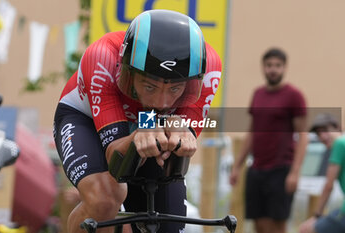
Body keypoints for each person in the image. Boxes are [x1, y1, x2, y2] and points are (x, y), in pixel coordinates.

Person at [53, 9, 222, 233]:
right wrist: (142, 132)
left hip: (148, 122)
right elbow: (116, 158)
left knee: (167, 224)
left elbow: (177, 156)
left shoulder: (209, 67)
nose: (162, 102)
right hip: (87, 119)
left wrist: (182, 134)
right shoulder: (103, 55)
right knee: (105, 199)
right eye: (149, 86)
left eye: (175, 88)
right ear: (128, 72)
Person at [229, 48, 308, 233]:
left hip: (281, 169)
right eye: (269, 65)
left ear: (284, 68)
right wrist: (237, 166)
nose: (273, 69)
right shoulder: (258, 94)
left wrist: (295, 172)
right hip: (257, 169)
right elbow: (251, 132)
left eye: (277, 66)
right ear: (263, 67)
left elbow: (303, 135)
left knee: (277, 224)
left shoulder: (294, 96)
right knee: (259, 223)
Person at [299, 113, 345, 233]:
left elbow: (328, 186)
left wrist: (317, 216)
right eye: (319, 134)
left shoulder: (339, 144)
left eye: (325, 130)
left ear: (337, 128)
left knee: (306, 230)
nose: (323, 137)